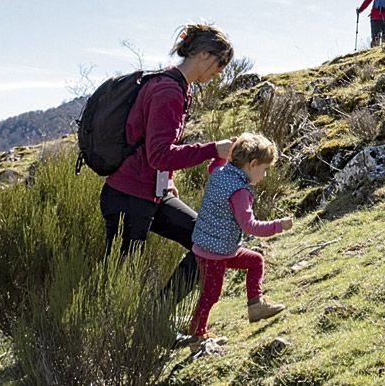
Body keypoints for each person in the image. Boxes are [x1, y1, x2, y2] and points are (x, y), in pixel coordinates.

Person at [100, 23, 236, 298]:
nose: (219, 73)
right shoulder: (168, 91)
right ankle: (125, 334)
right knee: (119, 282)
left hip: (151, 193)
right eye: (219, 65)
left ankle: (157, 319)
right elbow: (159, 154)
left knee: (209, 242)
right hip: (129, 196)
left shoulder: (176, 86)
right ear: (204, 55)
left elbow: (154, 144)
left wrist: (168, 180)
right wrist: (214, 149)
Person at [187, 132, 293, 347]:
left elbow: (212, 166)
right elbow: (249, 226)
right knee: (210, 294)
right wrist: (278, 226)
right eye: (264, 169)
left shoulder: (220, 172)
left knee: (255, 261)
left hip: (216, 246)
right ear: (253, 164)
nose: (264, 175)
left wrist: (220, 155)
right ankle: (197, 336)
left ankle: (256, 305)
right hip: (214, 253)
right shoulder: (239, 191)